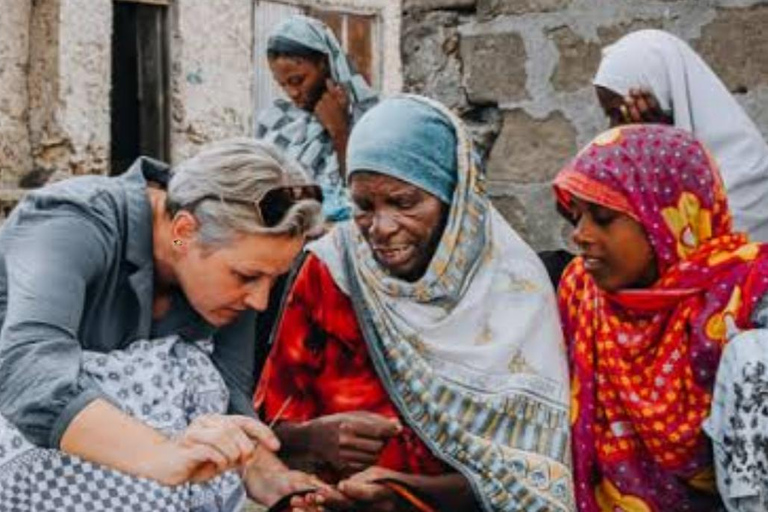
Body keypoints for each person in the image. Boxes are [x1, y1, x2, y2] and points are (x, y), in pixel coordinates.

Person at [255, 95, 575, 511]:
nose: (381, 228)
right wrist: (315, 438)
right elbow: (269, 423)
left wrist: (407, 492)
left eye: (404, 203)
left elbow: (535, 476)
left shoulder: (514, 289)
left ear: (454, 199)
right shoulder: (333, 272)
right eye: (364, 207)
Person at [0, 139, 327, 511]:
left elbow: (226, 390)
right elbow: (28, 373)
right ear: (184, 231)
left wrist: (266, 475)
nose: (260, 301)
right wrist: (163, 454)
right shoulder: (70, 223)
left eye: (274, 279)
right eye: (246, 276)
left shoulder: (235, 271)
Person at [554, 124, 768, 511]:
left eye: (602, 217)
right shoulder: (580, 292)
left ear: (665, 221)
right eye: (576, 216)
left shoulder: (747, 296)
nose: (580, 235)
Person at [593, 29, 768, 242]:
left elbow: (703, 256)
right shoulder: (646, 167)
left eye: (619, 114)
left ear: (667, 100)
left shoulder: (744, 172)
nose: (613, 130)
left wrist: (661, 145)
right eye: (609, 116)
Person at [255, 14, 378, 223]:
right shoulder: (276, 122)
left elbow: (367, 198)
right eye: (283, 84)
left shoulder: (372, 118)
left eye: (297, 80)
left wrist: (340, 131)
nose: (292, 93)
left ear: (325, 62)